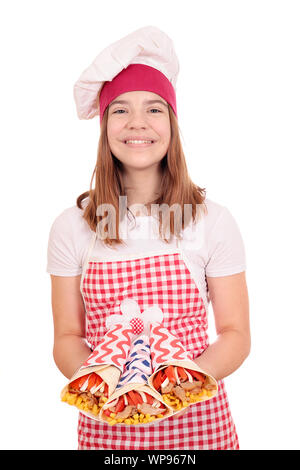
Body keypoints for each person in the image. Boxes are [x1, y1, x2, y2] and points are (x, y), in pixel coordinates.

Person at [46, 26, 250, 450]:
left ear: (172, 123)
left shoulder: (212, 221)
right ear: (104, 126)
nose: (137, 123)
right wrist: (106, 387)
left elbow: (235, 334)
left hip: (199, 430)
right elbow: (67, 337)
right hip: (108, 431)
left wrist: (180, 385)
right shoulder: (73, 227)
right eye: (120, 110)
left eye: (154, 109)